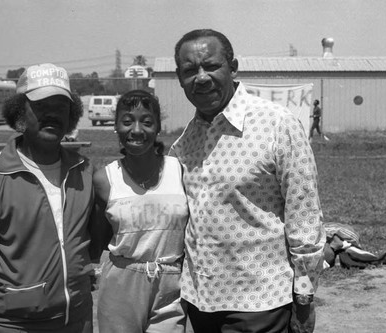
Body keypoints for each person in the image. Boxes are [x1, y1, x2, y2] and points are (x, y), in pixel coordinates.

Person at [170, 29, 326, 333]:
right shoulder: (186, 140)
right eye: (190, 70)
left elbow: (304, 216)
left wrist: (304, 297)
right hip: (199, 301)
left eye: (211, 66)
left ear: (233, 67)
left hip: (259, 303)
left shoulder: (276, 125)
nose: (201, 78)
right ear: (179, 78)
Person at [0, 63, 96, 333]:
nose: (53, 115)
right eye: (42, 106)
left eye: (61, 107)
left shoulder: (85, 171)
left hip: (78, 321)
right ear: (20, 112)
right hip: (16, 325)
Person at [93, 90, 189, 333]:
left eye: (146, 122)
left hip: (172, 284)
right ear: (116, 126)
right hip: (122, 282)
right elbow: (97, 240)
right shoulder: (105, 179)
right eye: (127, 121)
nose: (136, 130)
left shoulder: (179, 170)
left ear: (157, 127)